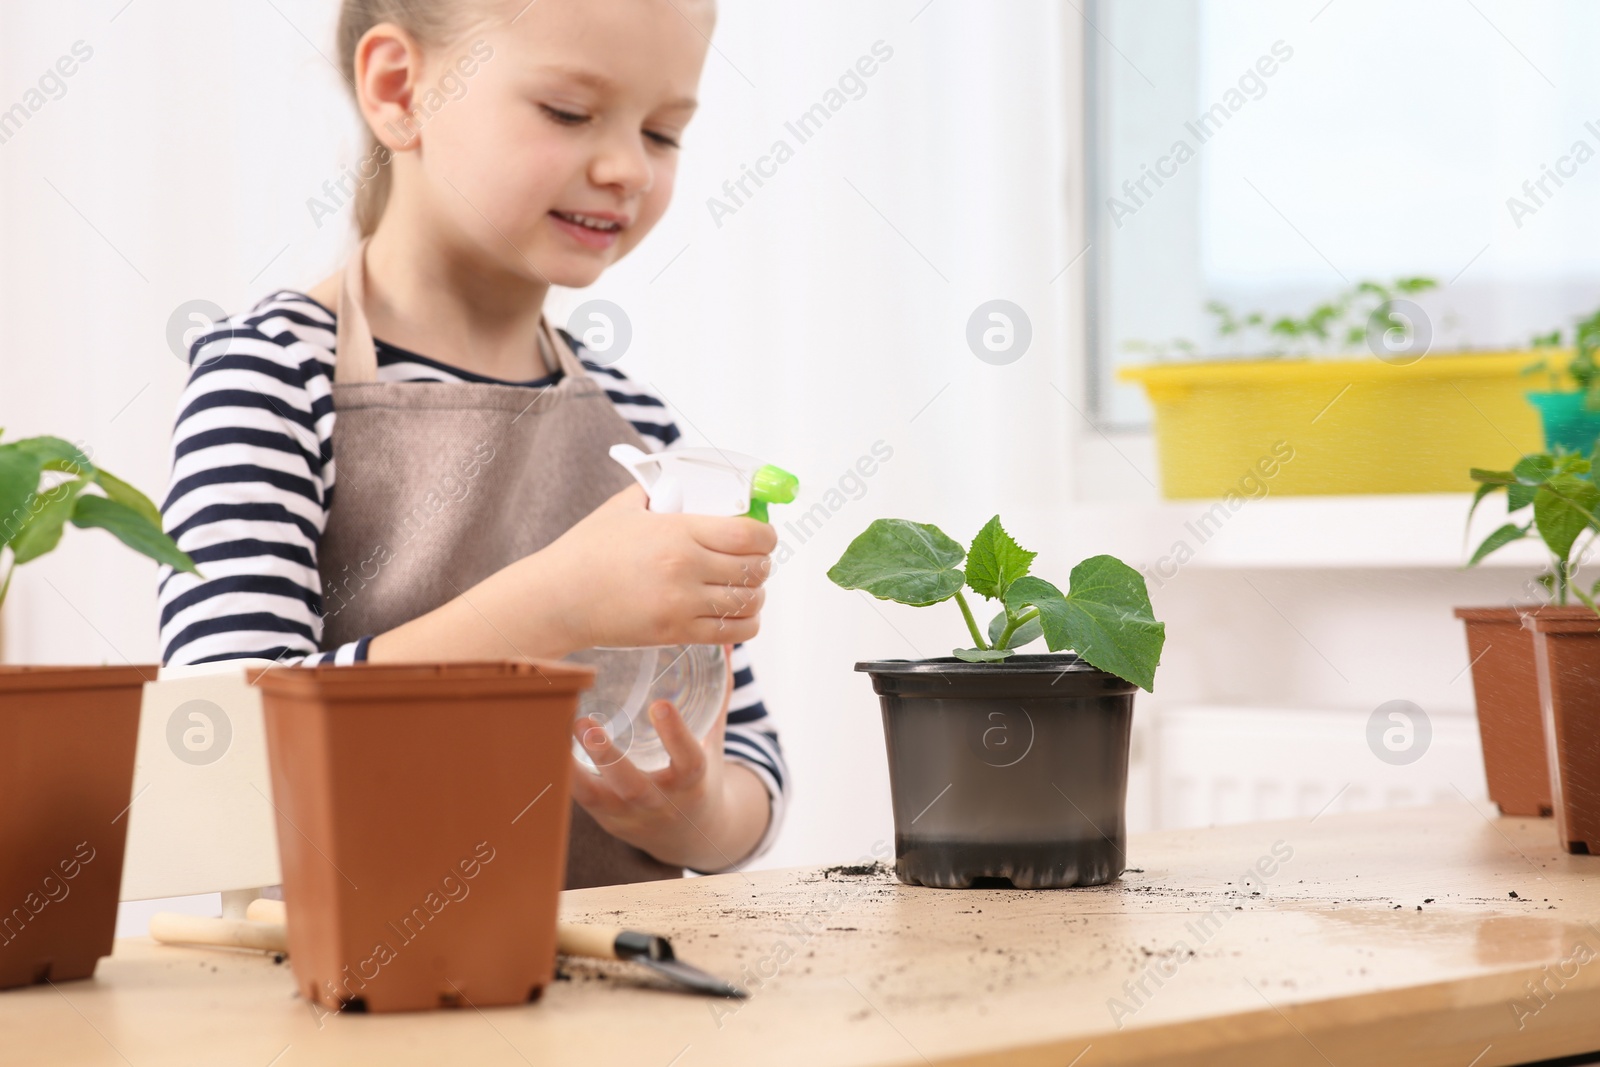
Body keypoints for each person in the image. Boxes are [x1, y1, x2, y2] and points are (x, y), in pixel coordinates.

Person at [155, 0, 786, 886]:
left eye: (663, 132)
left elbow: (753, 766)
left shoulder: (643, 428)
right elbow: (217, 758)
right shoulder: (271, 377)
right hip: (346, 1011)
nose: (625, 168)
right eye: (569, 113)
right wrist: (554, 606)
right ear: (400, 88)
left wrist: (693, 815)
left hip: (619, 1010)